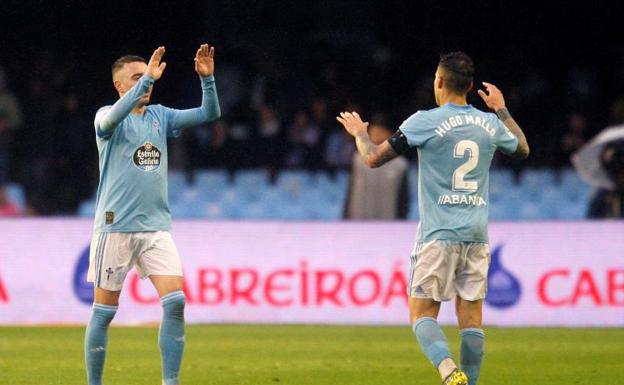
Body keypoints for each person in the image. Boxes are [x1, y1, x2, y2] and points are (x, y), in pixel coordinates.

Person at [336, 52, 529, 385]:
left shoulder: (424, 121)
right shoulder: (490, 124)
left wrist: (359, 134)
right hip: (476, 235)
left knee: (422, 314)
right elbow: (522, 148)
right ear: (470, 86)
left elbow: (372, 159)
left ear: (439, 81)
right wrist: (500, 108)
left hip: (438, 235)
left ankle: (448, 371)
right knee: (471, 320)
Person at [85, 44, 220, 385]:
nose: (149, 81)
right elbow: (114, 116)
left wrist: (207, 80)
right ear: (120, 86)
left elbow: (209, 114)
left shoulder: (161, 116)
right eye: (137, 77)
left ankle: (170, 383)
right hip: (115, 229)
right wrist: (145, 81)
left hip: (156, 229)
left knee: (175, 303)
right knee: (104, 313)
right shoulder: (106, 117)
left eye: (149, 75)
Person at [344, 121, 410, 219]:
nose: (375, 136)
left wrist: (401, 219)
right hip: (358, 218)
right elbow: (350, 189)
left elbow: (403, 197)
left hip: (388, 220)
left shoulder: (400, 164)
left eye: (379, 133)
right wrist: (345, 215)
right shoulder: (358, 159)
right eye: (372, 133)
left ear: (390, 134)